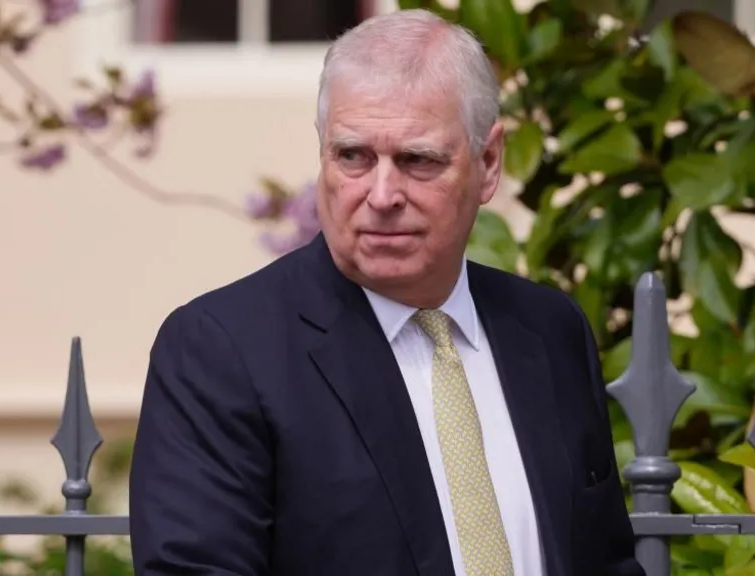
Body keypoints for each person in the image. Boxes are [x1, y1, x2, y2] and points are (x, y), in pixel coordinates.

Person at [128, 8, 642, 576]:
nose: (381, 195)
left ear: (489, 162)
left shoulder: (549, 330)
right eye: (353, 156)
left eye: (417, 160)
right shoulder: (223, 351)